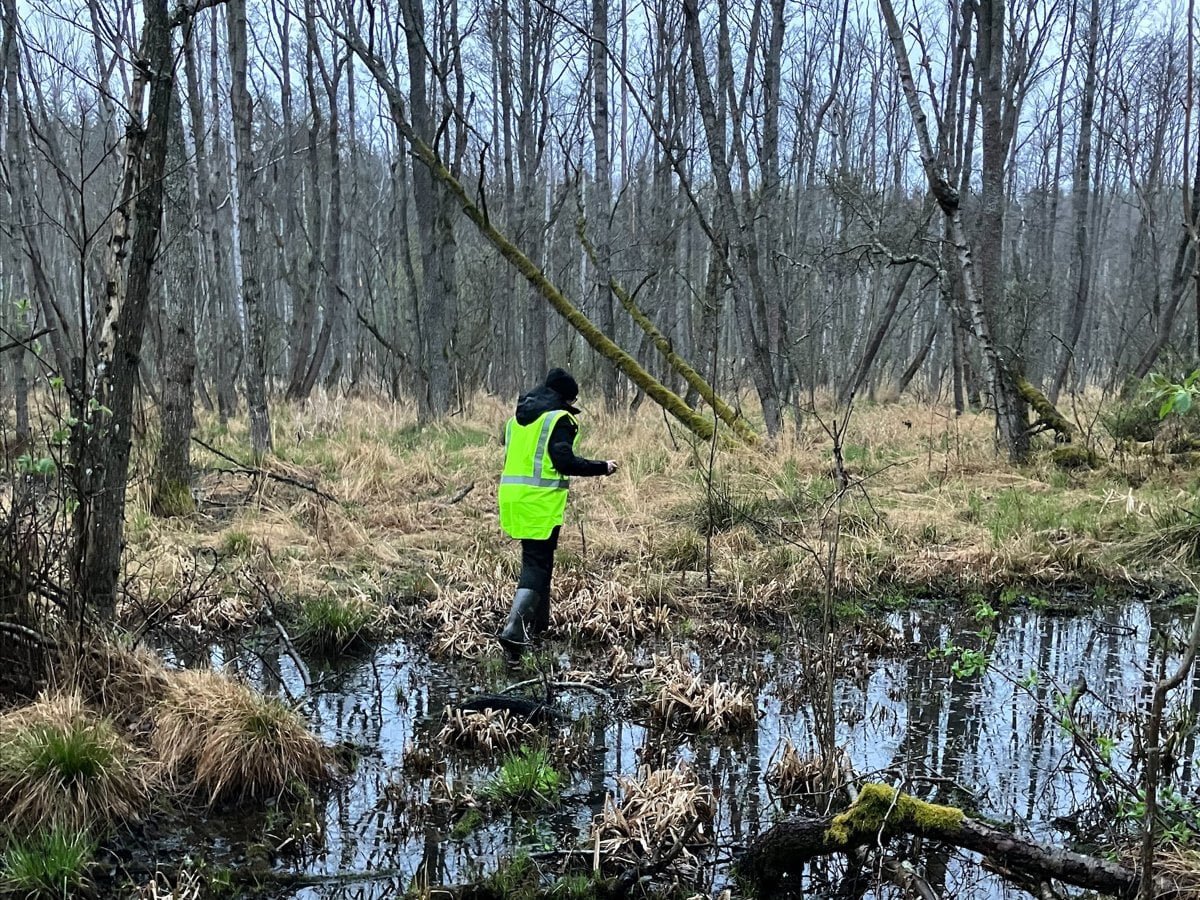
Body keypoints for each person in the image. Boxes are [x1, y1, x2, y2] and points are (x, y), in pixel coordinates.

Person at [496, 367, 617, 658]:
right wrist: (602, 467)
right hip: (540, 501)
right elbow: (563, 461)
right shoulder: (559, 419)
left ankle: (537, 627)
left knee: (536, 561)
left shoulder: (518, 419)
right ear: (565, 397)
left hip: (513, 498)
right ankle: (515, 629)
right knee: (538, 564)